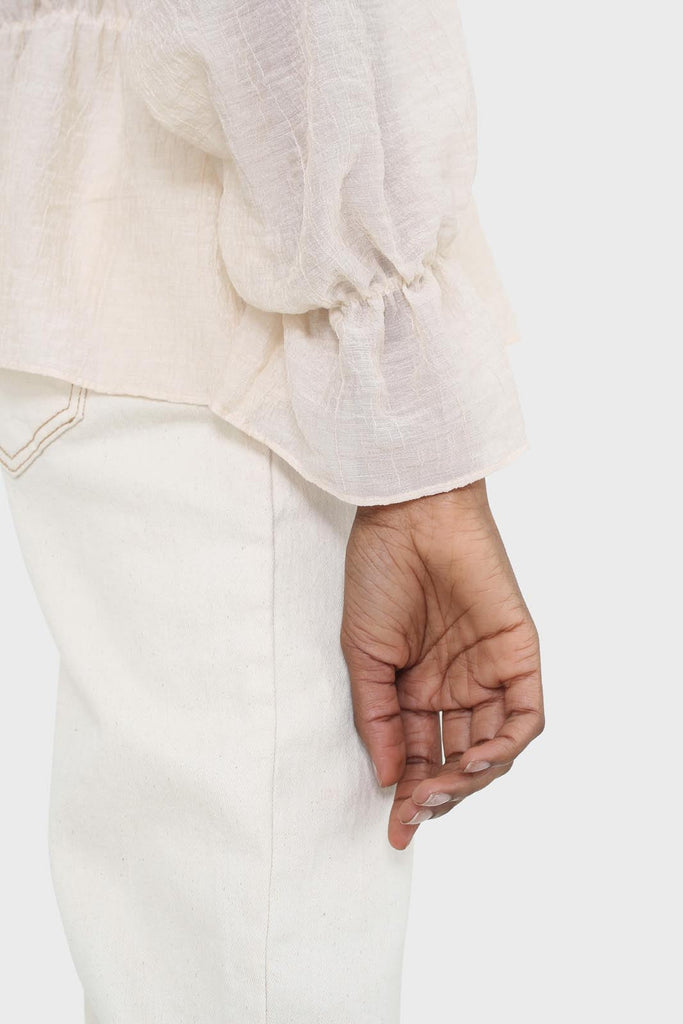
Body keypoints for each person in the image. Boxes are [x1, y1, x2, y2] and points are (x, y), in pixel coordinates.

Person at [0, 1, 544, 1021]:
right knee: (252, 968)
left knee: (183, 957)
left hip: (99, 259)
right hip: (230, 312)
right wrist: (418, 466)